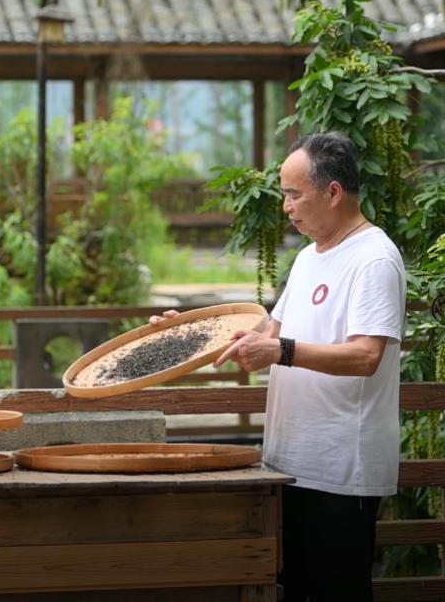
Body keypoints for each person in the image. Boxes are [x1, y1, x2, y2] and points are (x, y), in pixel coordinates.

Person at [153, 132, 405, 601]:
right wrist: (186, 335)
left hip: (341, 472)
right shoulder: (310, 257)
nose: (286, 207)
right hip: (289, 463)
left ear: (332, 193)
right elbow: (268, 337)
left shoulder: (374, 259)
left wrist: (281, 351)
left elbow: (367, 355)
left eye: (293, 194)